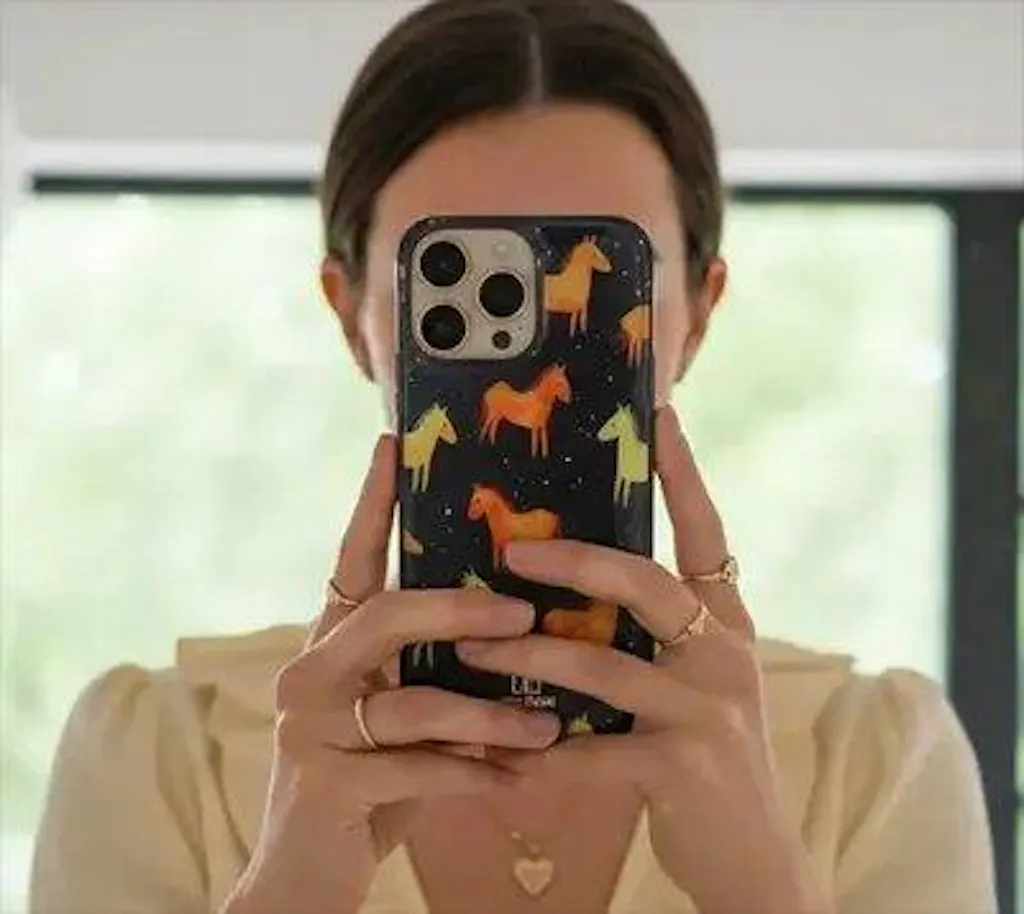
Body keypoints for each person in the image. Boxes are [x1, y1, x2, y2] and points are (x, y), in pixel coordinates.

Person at [30, 1, 997, 912]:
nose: (541, 353)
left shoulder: (876, 760)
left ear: (699, 313)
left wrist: (763, 889)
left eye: (598, 279)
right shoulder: (160, 756)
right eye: (452, 276)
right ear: (351, 313)